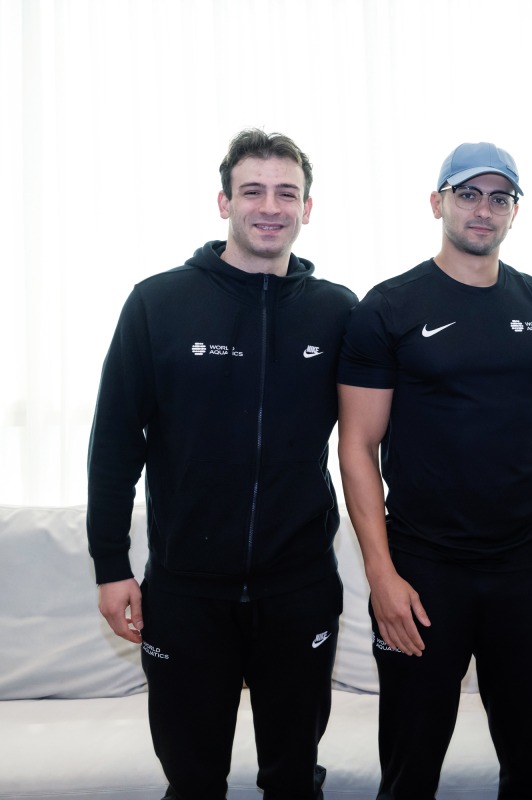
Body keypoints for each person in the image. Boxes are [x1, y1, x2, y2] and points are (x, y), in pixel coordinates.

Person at [87, 129, 357, 799]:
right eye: (253, 190)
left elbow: (388, 425)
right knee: (193, 782)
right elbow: (114, 443)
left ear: (307, 208)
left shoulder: (337, 312)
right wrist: (111, 566)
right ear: (223, 202)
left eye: (286, 193)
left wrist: (521, 437)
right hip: (186, 592)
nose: (270, 207)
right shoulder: (158, 304)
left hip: (298, 587)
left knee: (293, 780)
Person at [336, 142, 532, 800]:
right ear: (437, 202)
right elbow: (356, 446)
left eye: (500, 198)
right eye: (468, 194)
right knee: (410, 772)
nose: (483, 209)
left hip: (524, 564)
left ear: (514, 212)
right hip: (425, 568)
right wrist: (381, 575)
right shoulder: (388, 308)